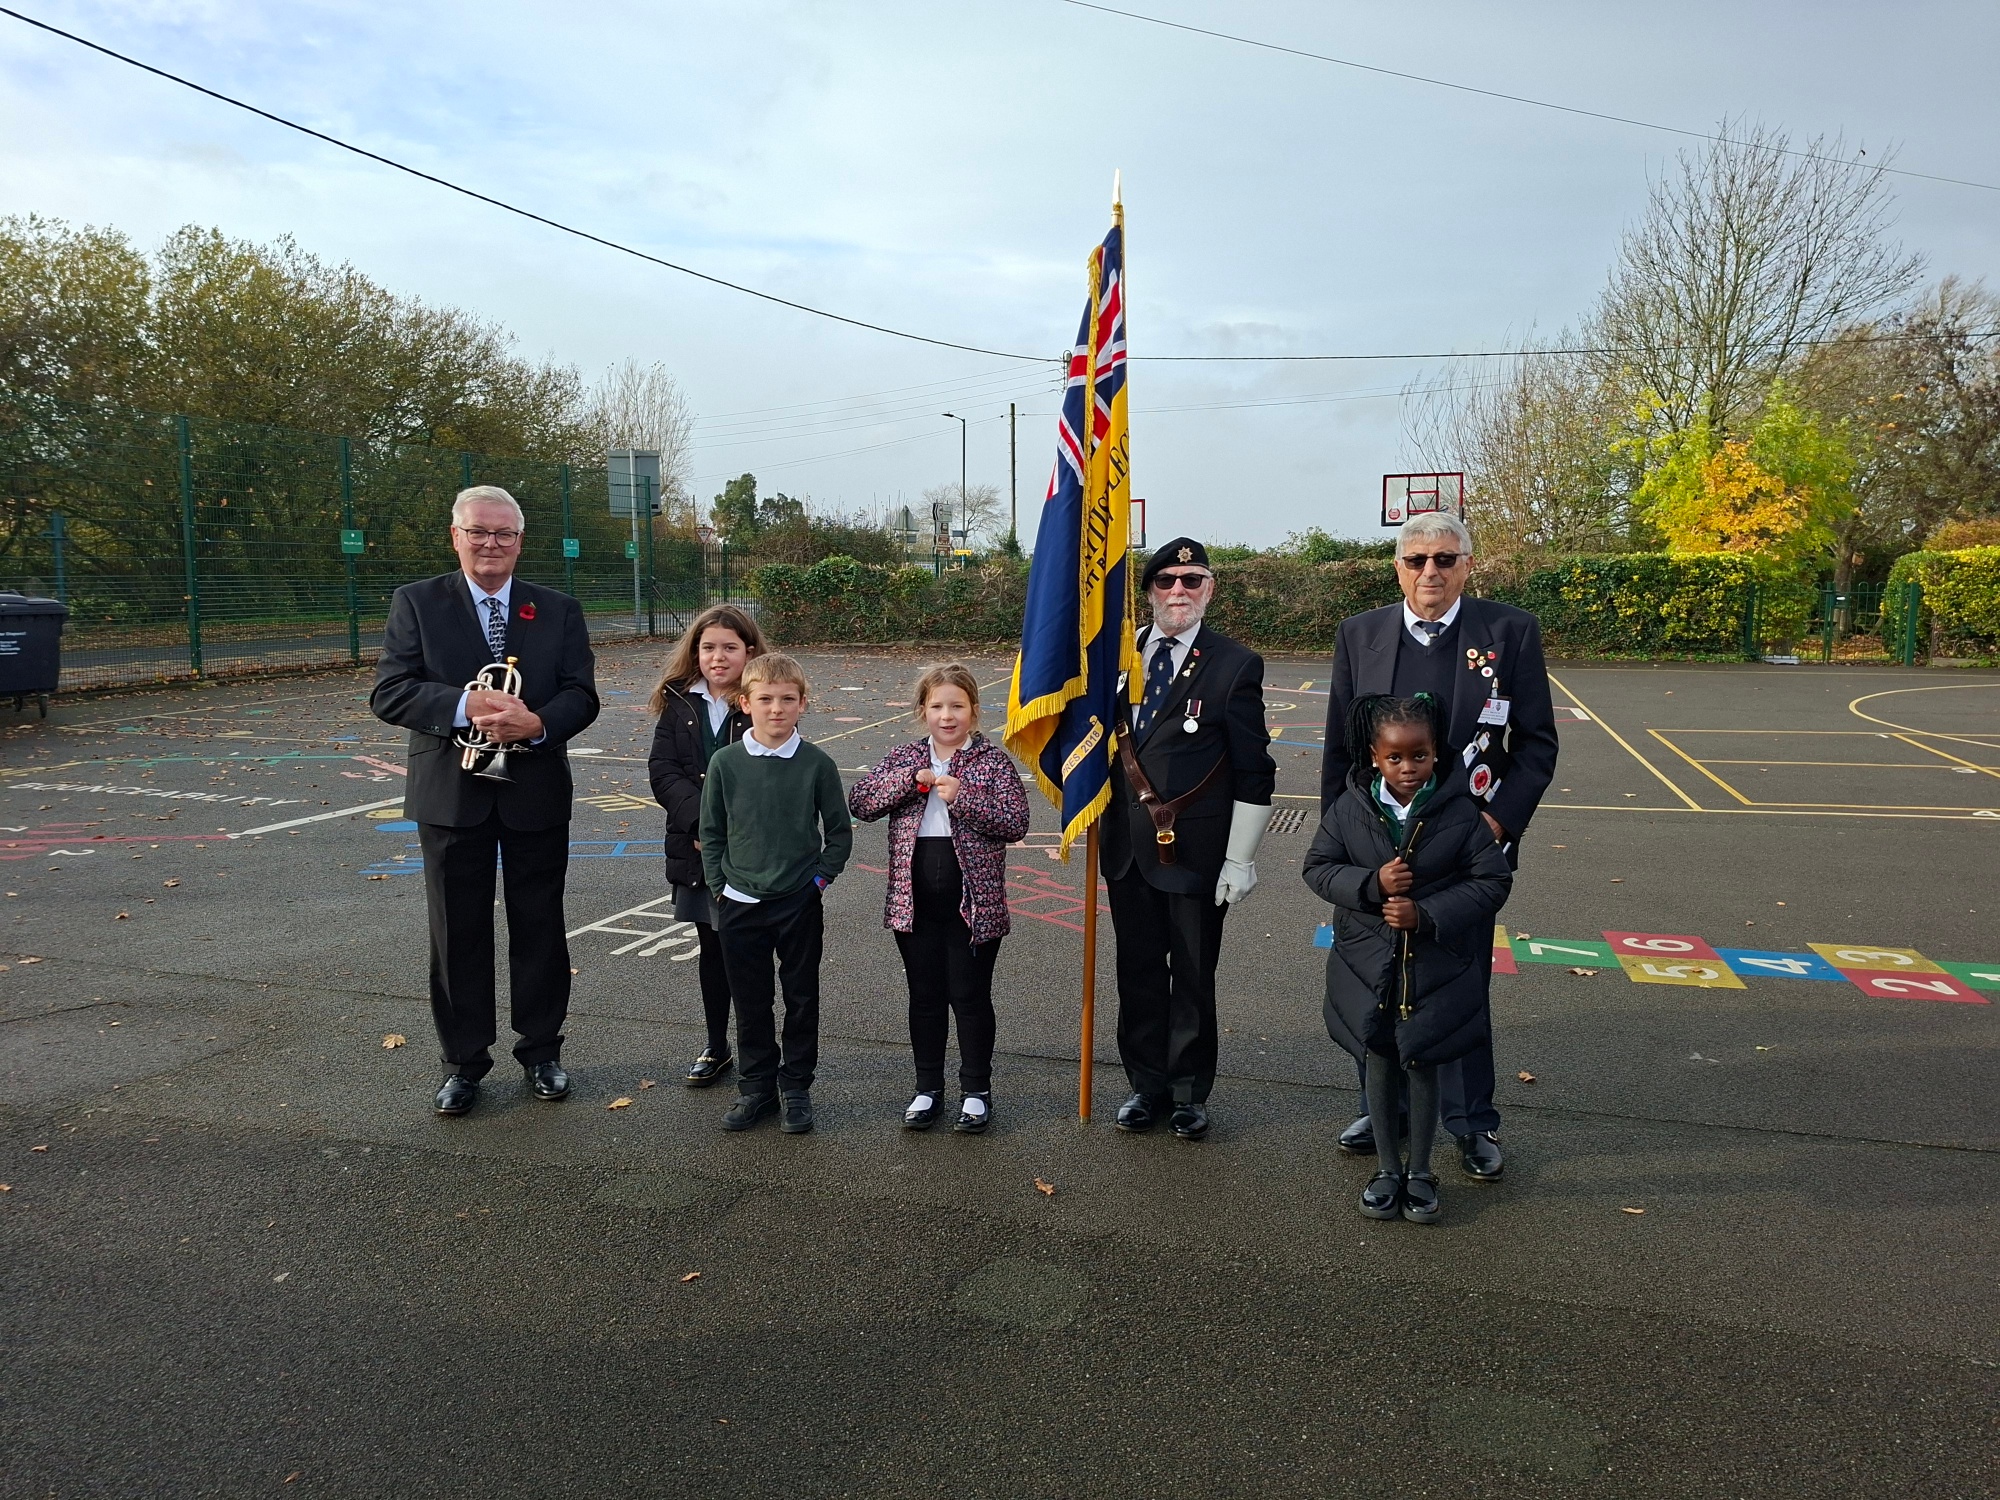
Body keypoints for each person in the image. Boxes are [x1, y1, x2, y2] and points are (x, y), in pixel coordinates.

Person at [1317, 512, 1557, 1180]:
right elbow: (1341, 749)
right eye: (1417, 559)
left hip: (1465, 853)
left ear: (1467, 566)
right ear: (1398, 567)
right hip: (1380, 852)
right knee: (1375, 982)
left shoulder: (1508, 632)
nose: (1431, 571)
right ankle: (1382, 1109)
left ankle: (1470, 1120)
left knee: (1460, 988)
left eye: (1445, 559)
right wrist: (1342, 838)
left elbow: (1536, 744)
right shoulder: (1359, 634)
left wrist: (1496, 826)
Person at [371, 484, 600, 1116]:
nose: (490, 543)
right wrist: (463, 704)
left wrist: (539, 724)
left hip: (534, 788)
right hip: (452, 793)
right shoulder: (417, 602)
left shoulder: (558, 609)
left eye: (503, 533)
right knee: (457, 933)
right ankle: (463, 1063)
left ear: (520, 542)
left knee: (541, 927)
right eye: (478, 531)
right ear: (456, 537)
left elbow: (582, 694)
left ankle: (542, 1052)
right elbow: (390, 692)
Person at [1305, 692, 1513, 1224]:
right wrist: (1371, 884)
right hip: (1369, 966)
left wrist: (1426, 913)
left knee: (1423, 1061)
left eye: (1418, 756)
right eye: (1394, 757)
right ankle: (1387, 1170)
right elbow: (1318, 868)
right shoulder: (1351, 807)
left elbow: (1492, 880)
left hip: (1434, 968)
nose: (1407, 768)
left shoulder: (1460, 812)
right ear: (1374, 756)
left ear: (1435, 752)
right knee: (1379, 1058)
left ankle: (1420, 1172)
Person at [1101, 537, 1278, 1140]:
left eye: (1192, 580)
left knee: (1194, 975)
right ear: (1149, 591)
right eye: (1166, 580)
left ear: (1210, 590)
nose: (1179, 590)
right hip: (1127, 848)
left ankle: (1187, 1091)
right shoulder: (1116, 656)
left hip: (1195, 850)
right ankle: (1145, 1084)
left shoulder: (1234, 664)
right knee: (1138, 971)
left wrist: (1241, 858)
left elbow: (1254, 769)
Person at [848, 663, 1030, 1133]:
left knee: (969, 996)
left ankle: (976, 1091)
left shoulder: (991, 762)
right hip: (915, 903)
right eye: (937, 707)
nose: (947, 716)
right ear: (922, 711)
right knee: (925, 996)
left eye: (957, 706)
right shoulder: (905, 756)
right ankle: (927, 1087)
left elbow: (1016, 822)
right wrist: (910, 781)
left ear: (974, 710)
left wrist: (962, 796)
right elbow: (862, 802)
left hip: (974, 905)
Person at [699, 651, 853, 1134]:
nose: (776, 708)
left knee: (802, 998)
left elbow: (839, 832)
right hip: (739, 901)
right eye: (765, 699)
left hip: (797, 901)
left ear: (802, 703)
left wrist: (818, 880)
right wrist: (720, 886)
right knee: (751, 1001)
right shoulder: (725, 762)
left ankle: (796, 1086)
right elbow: (711, 830)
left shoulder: (817, 763)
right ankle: (757, 1087)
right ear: (745, 703)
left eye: (787, 699)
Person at [646, 603, 765, 1088]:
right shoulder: (680, 701)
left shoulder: (763, 697)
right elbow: (663, 771)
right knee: (712, 950)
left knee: (749, 953)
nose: (718, 657)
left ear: (749, 653)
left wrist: (726, 829)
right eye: (708, 647)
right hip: (695, 848)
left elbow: (769, 770)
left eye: (730, 648)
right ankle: (717, 1045)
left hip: (747, 849)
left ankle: (759, 1049)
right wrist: (700, 823)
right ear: (695, 652)